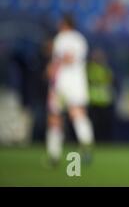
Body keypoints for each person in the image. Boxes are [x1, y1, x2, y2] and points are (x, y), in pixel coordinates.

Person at [46, 14, 94, 165]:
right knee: (78, 114)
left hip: (62, 83)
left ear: (64, 24)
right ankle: (86, 147)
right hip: (78, 82)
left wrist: (52, 68)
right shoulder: (80, 39)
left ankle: (54, 155)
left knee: (55, 117)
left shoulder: (62, 38)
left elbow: (66, 57)